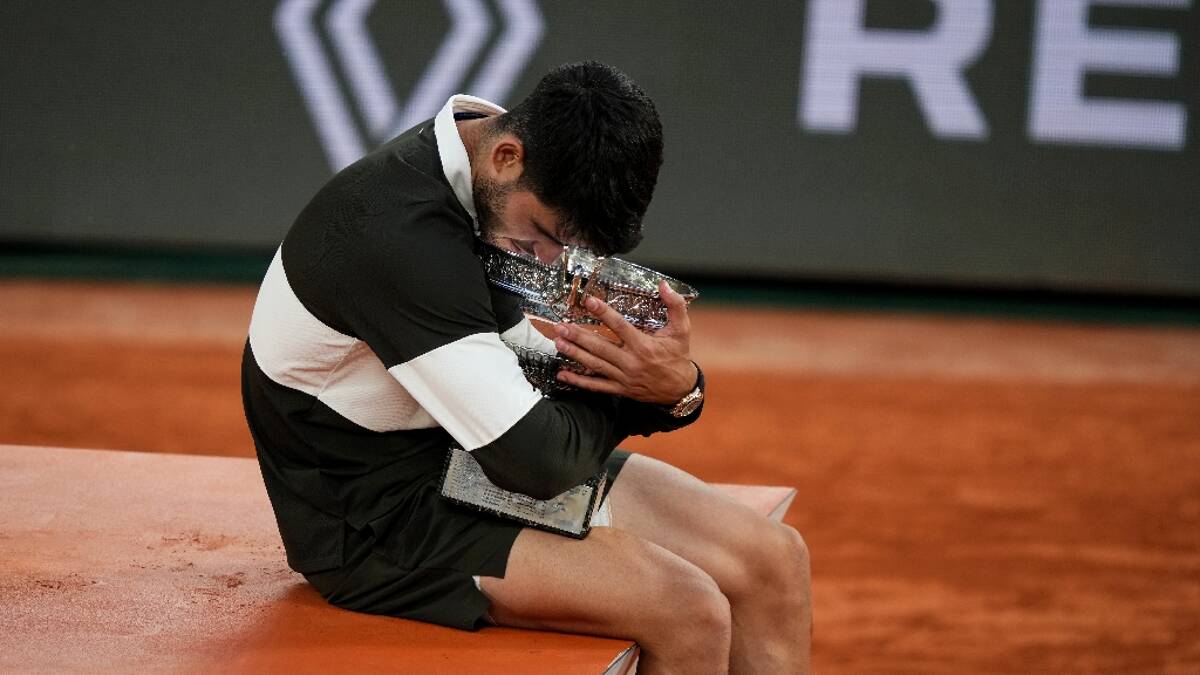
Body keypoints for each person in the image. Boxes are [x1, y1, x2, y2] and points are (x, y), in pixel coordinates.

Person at [242, 61, 811, 674]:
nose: (550, 263)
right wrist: (634, 396)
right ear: (507, 157)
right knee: (689, 608)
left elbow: (532, 381)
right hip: (372, 518)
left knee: (772, 559)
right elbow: (537, 461)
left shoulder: (491, 171)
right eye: (545, 236)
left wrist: (676, 389)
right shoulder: (400, 239)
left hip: (461, 451)